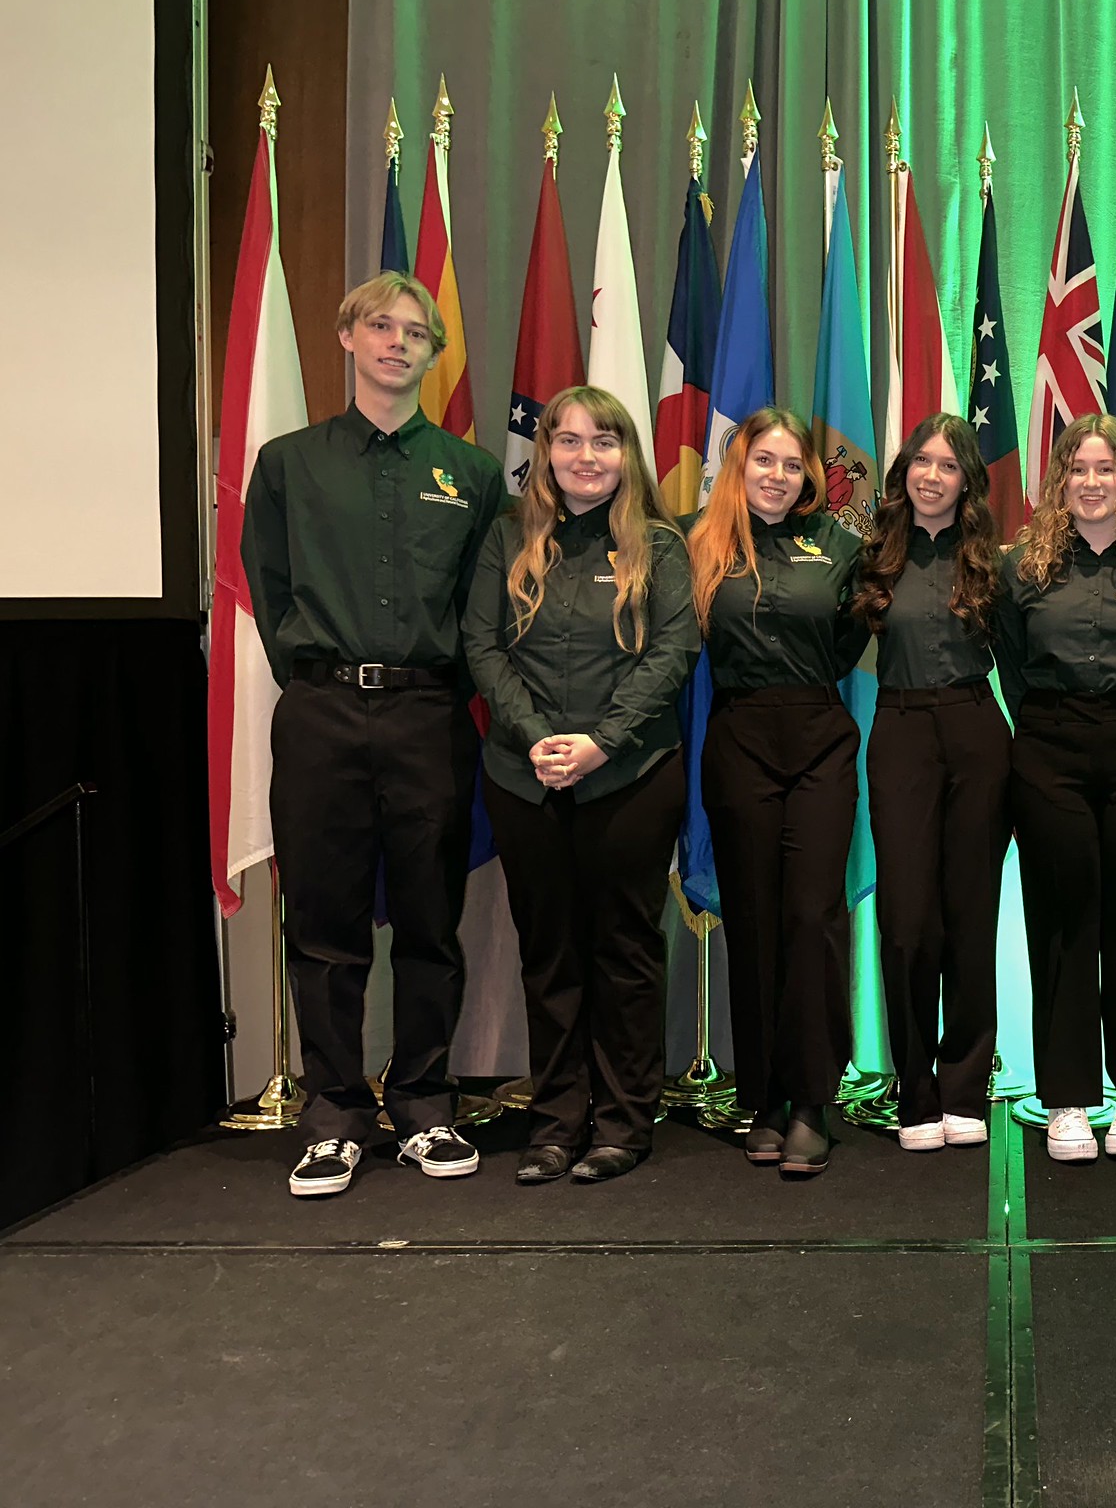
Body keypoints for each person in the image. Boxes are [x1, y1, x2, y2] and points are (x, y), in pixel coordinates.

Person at [243, 270, 504, 1197]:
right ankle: (337, 1116)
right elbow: (268, 591)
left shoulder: (472, 474)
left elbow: (486, 610)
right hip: (319, 714)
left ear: (435, 354)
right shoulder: (287, 463)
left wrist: (433, 688)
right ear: (347, 338)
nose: (398, 343)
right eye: (380, 327)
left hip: (430, 715)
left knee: (433, 922)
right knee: (324, 926)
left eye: (416, 332)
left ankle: (426, 1106)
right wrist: (321, 680)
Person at [462, 387, 697, 1185]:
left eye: (604, 442)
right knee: (550, 953)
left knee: (625, 949)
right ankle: (557, 1121)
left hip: (631, 776)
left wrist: (600, 743)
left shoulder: (662, 547)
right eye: (569, 442)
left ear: (626, 455)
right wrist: (538, 740)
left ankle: (625, 1122)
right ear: (546, 453)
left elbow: (672, 654)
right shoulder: (506, 537)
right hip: (524, 778)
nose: (585, 457)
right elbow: (482, 648)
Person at [997, 414, 1116, 1164]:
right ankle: (1068, 1098)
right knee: (1062, 917)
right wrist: (1055, 728)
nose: (1093, 482)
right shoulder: (1025, 568)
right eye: (1078, 468)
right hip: (1048, 749)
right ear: (1060, 480)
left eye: (1106, 468)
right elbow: (1011, 666)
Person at [687, 407, 869, 1177]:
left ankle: (811, 1101)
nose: (777, 475)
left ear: (808, 477)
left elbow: (851, 640)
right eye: (764, 460)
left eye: (792, 465)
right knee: (754, 918)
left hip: (819, 741)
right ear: (740, 463)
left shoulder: (840, 546)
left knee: (811, 918)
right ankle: (761, 1095)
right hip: (738, 741)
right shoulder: (699, 542)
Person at [850, 415, 1010, 1152]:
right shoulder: (874, 557)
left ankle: (964, 1089)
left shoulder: (993, 561)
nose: (933, 475)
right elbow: (831, 644)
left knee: (971, 915)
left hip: (978, 732)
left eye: (949, 465)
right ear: (903, 470)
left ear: (967, 480)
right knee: (908, 921)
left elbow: (1030, 663)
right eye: (922, 461)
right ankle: (913, 1091)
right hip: (902, 733)